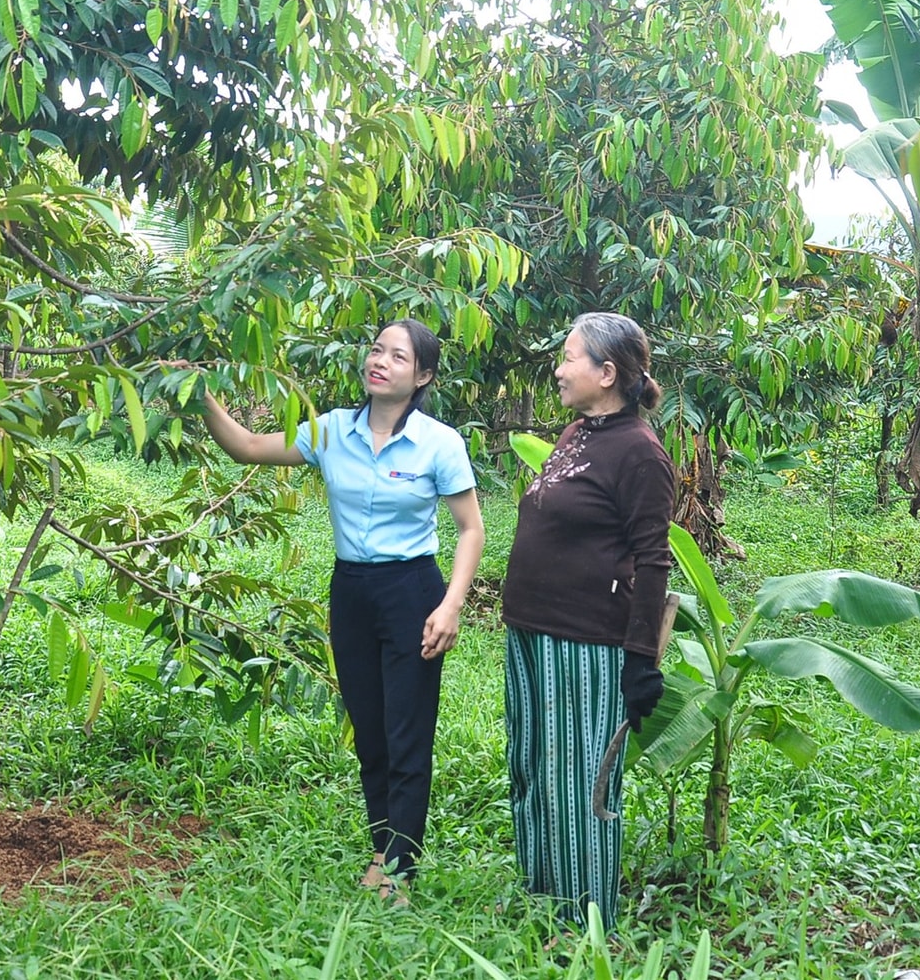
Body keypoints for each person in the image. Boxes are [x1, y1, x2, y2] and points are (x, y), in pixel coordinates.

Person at [198, 319, 484, 899]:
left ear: (423, 375)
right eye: (376, 350)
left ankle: (400, 869)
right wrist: (200, 396)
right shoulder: (330, 431)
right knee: (371, 730)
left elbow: (471, 529)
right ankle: (383, 847)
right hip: (350, 591)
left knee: (407, 730)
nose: (380, 361)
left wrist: (451, 605)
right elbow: (248, 448)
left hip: (412, 592)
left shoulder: (440, 443)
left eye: (397, 356)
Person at [501, 311, 675, 932]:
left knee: (580, 781)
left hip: (585, 642)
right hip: (530, 629)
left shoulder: (641, 453)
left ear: (607, 373)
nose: (558, 368)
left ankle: (584, 918)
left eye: (569, 357)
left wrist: (640, 661)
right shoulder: (578, 433)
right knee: (531, 763)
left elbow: (654, 560)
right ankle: (540, 891)